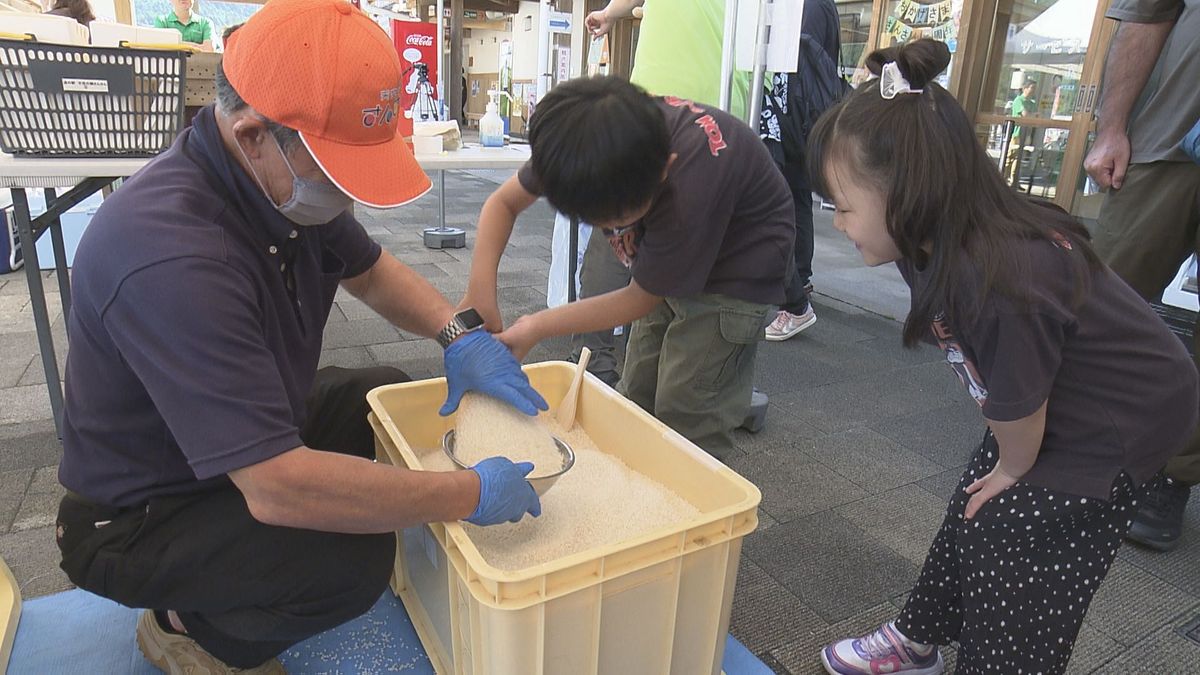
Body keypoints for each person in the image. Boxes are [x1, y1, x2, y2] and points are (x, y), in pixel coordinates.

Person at [54, 1, 546, 673]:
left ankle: (245, 574)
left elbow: (370, 271)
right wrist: (467, 494)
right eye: (336, 176)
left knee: (385, 400)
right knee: (353, 561)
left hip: (220, 444)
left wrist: (458, 334)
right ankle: (183, 624)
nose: (347, 201)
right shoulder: (170, 254)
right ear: (253, 133)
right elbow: (278, 486)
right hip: (143, 508)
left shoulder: (273, 181)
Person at [811, 40, 1197, 675]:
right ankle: (919, 638)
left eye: (845, 206)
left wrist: (1016, 464)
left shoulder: (999, 279)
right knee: (982, 493)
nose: (839, 220)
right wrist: (1009, 457)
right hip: (1063, 386)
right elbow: (1011, 397)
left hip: (1120, 417)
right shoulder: (927, 241)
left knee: (1019, 537)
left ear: (910, 191)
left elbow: (1018, 406)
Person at [463, 76, 794, 462]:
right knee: (637, 389)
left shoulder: (687, 189)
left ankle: (696, 507)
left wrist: (534, 326)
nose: (611, 229)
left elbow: (638, 299)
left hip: (737, 269)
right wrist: (479, 292)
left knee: (689, 406)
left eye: (618, 219)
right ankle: (639, 479)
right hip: (670, 252)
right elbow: (503, 204)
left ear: (662, 171)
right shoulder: (580, 142)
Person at [577, 0, 750, 387]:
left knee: (619, 240)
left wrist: (610, 13)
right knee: (684, 264)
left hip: (655, 105)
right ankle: (673, 374)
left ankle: (597, 363)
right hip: (718, 110)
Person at [1083, 0, 1200, 551]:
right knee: (1102, 298)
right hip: (1166, 138)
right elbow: (1146, 15)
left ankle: (1174, 475)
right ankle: (1064, 435)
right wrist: (1112, 127)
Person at [760, 0, 843, 341]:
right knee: (794, 201)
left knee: (775, 208)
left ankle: (794, 299)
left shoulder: (807, 6)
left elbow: (800, 63)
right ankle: (797, 288)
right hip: (799, 122)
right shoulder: (817, 6)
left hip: (791, 121)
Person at [1005, 80, 1038, 184]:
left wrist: (1033, 115)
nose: (1033, 90)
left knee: (1019, 158)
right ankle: (1003, 178)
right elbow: (1026, 114)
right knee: (1010, 156)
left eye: (1034, 88)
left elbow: (1036, 117)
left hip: (1026, 134)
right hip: (1016, 133)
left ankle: (1014, 181)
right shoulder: (1019, 100)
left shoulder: (1032, 103)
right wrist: (1033, 115)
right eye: (1031, 88)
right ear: (1025, 88)